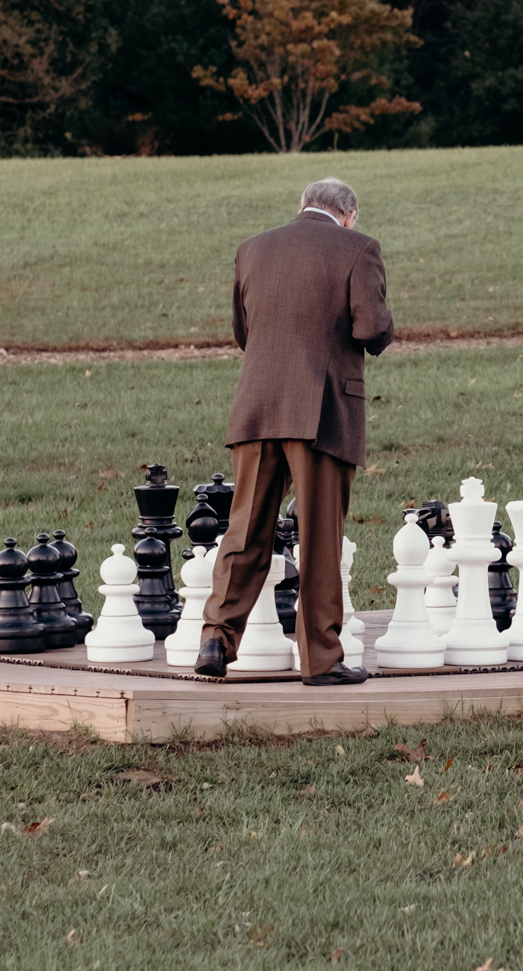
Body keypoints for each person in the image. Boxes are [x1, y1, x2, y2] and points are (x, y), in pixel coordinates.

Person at [195, 177, 394, 685]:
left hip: (257, 406)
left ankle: (216, 640)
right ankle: (321, 660)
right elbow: (372, 329)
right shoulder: (359, 248)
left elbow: (244, 332)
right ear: (348, 215)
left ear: (302, 206)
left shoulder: (253, 248)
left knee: (244, 528)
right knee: (319, 535)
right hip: (322, 411)